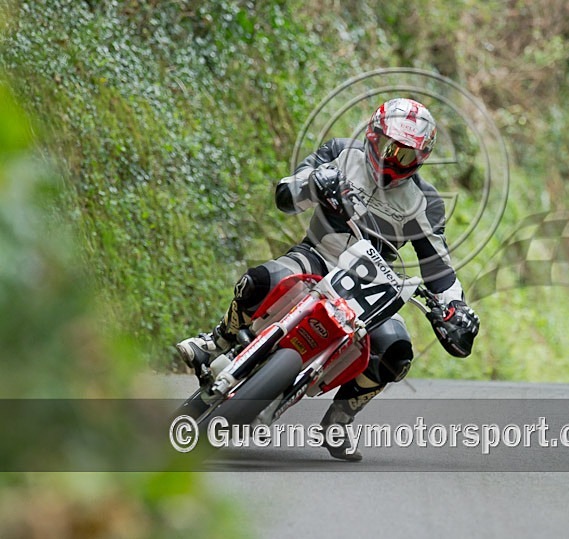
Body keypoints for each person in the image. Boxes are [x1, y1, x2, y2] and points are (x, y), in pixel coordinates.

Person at [177, 98, 480, 460]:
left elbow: (437, 266)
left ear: (421, 159)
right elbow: (285, 195)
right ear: (373, 135)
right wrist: (313, 182)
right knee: (261, 278)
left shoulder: (426, 202)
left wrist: (455, 308)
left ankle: (339, 419)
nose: (392, 161)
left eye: (405, 156)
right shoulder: (339, 152)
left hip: (372, 285)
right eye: (388, 148)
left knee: (396, 351)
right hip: (316, 256)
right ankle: (216, 340)